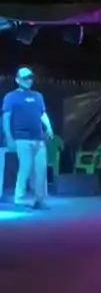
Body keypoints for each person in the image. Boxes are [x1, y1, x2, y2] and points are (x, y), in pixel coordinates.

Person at [2, 67, 54, 209]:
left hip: (38, 138)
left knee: (40, 170)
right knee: (25, 168)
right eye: (25, 78)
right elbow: (6, 117)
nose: (28, 80)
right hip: (21, 138)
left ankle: (39, 199)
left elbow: (42, 114)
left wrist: (49, 128)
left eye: (30, 77)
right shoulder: (11, 97)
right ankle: (19, 199)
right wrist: (9, 138)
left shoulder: (38, 96)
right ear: (18, 80)